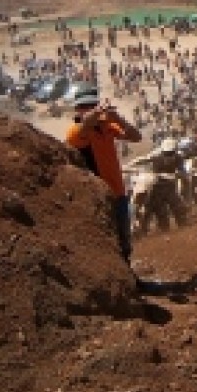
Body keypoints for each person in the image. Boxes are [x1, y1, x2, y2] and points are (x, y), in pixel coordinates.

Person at [65, 83, 142, 264]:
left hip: (117, 192)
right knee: (107, 241)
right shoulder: (76, 131)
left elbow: (135, 137)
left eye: (91, 106)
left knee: (124, 241)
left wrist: (118, 118)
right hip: (97, 195)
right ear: (77, 109)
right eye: (84, 107)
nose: (88, 110)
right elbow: (84, 127)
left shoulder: (106, 126)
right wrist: (97, 113)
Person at [124, 137, 188, 230]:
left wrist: (178, 175)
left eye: (170, 153)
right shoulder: (156, 155)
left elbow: (182, 171)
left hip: (169, 184)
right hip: (156, 185)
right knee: (160, 209)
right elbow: (143, 159)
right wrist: (130, 164)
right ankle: (163, 228)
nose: (168, 155)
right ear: (163, 150)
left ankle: (182, 224)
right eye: (166, 153)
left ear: (175, 151)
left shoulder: (179, 158)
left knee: (176, 204)